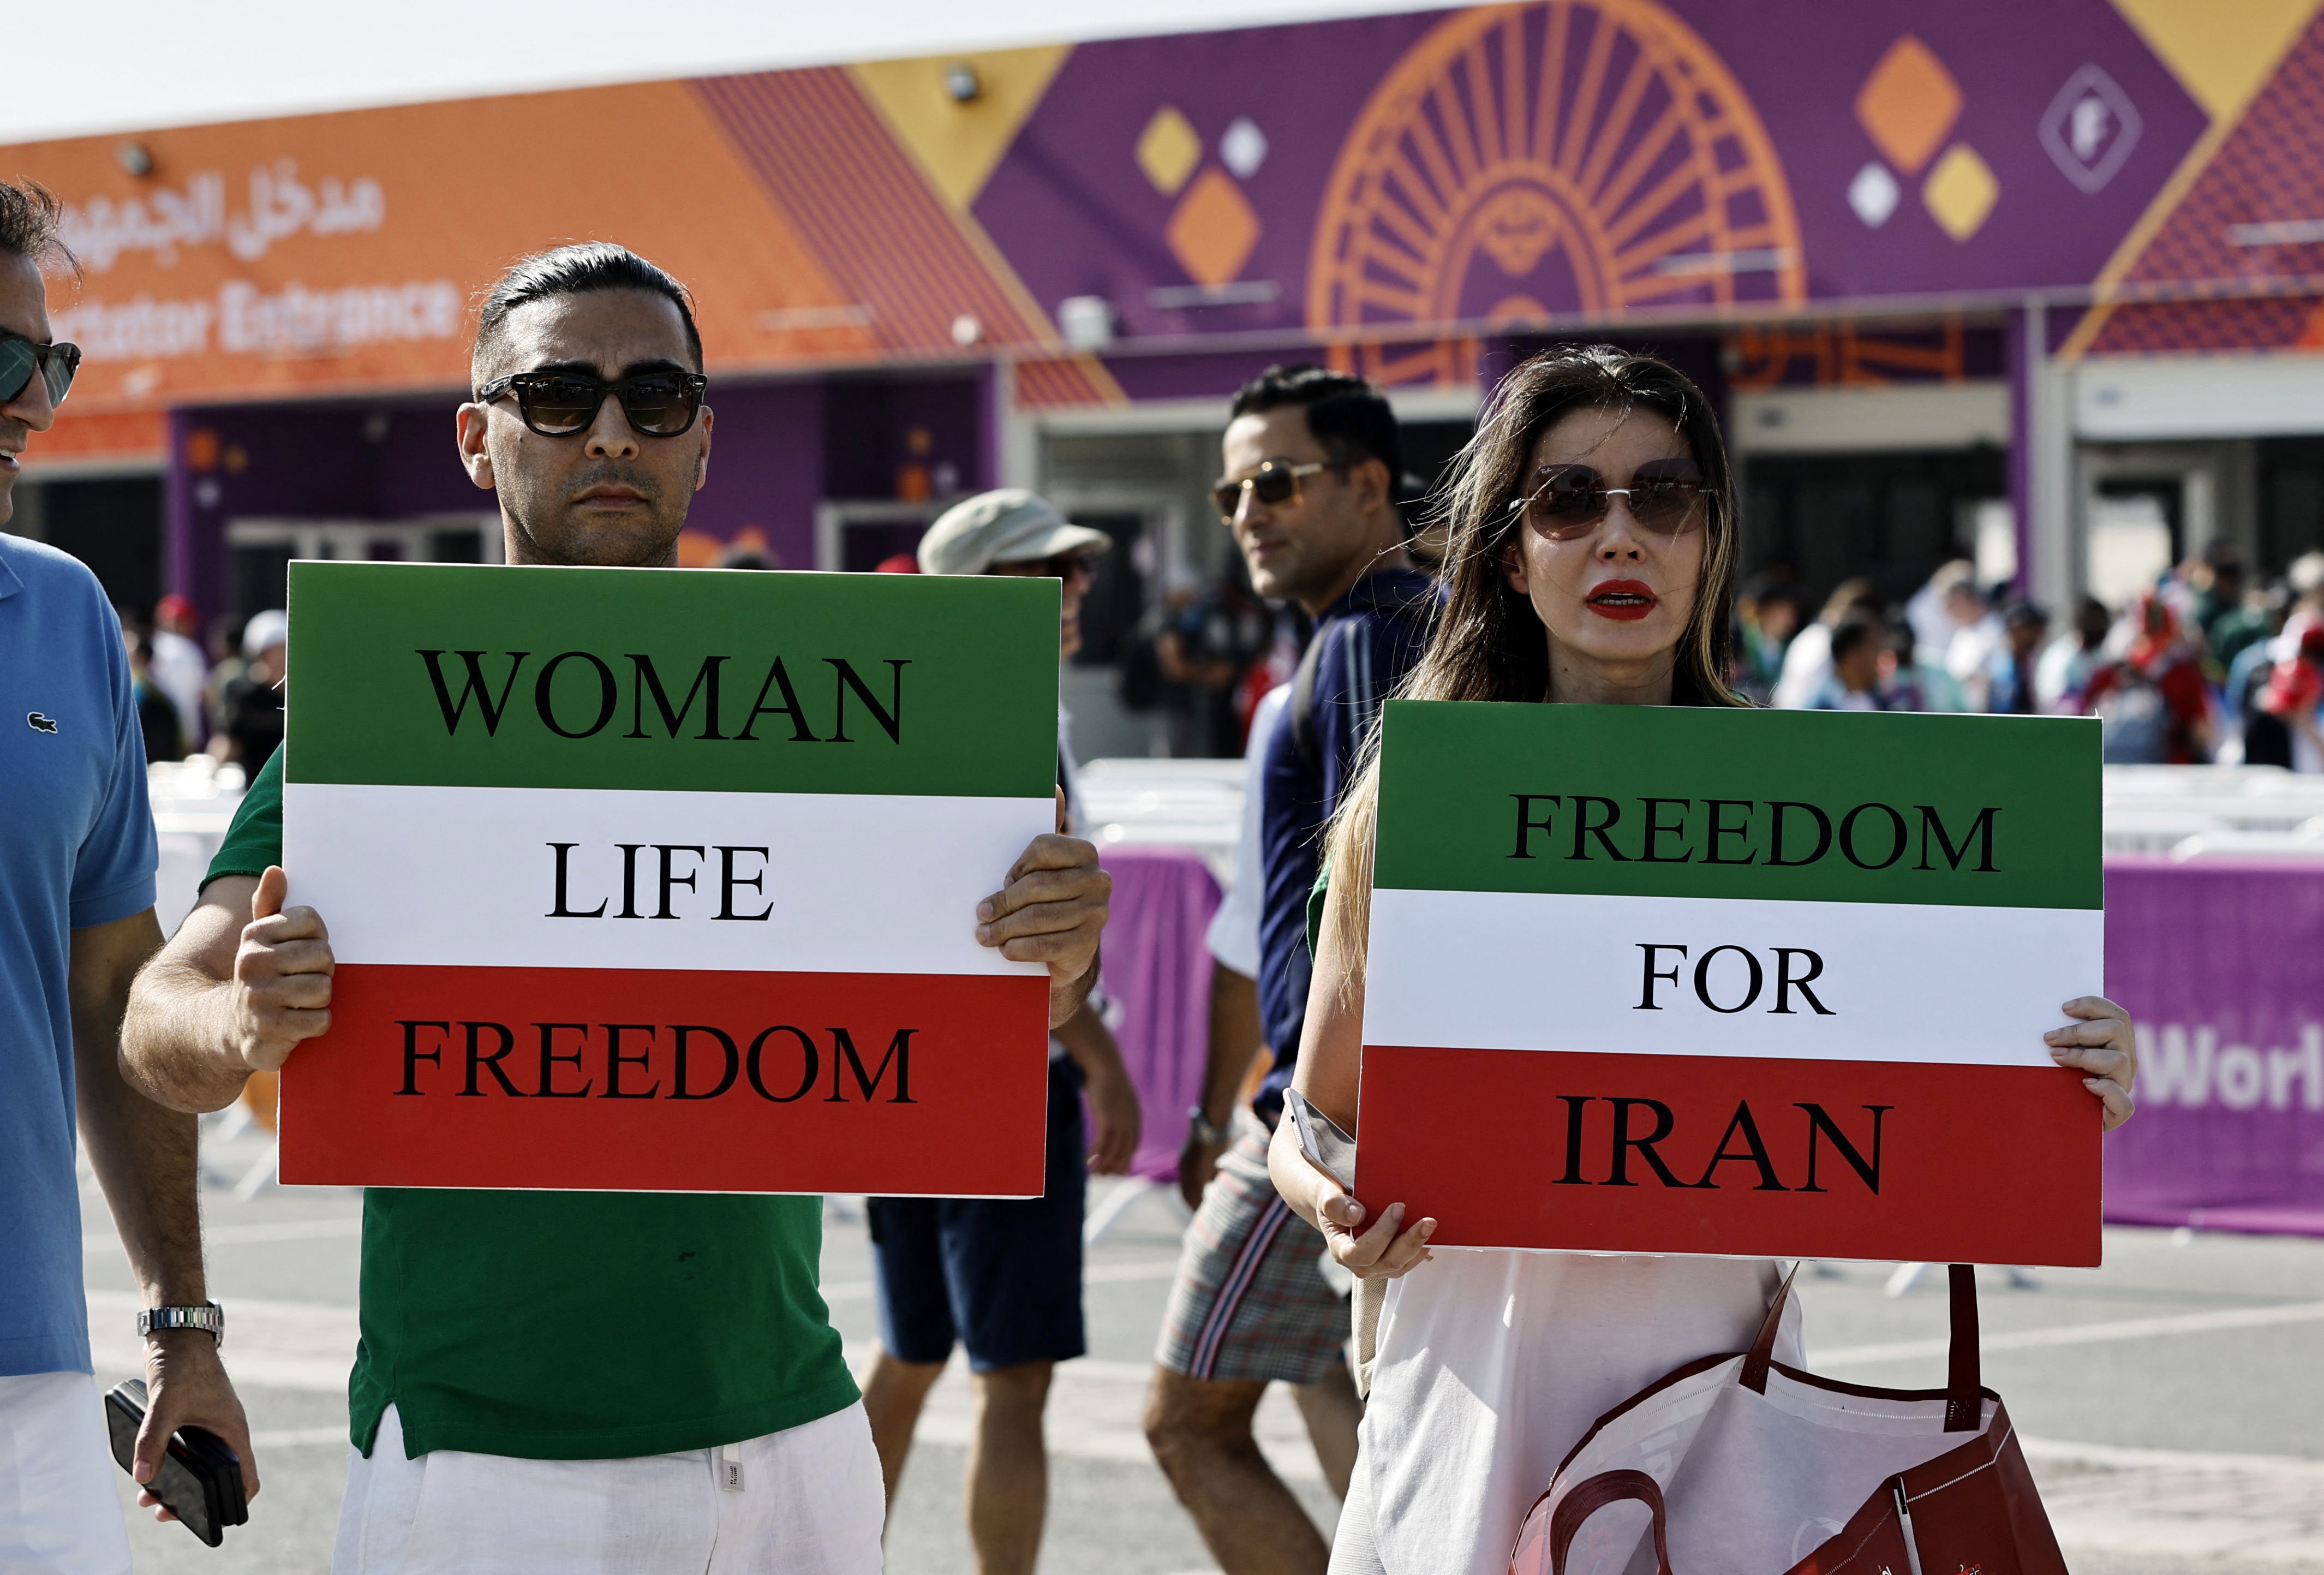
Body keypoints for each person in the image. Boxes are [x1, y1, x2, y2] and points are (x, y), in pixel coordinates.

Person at [120, 243, 1112, 1574]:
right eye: (555, 396)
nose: (605, 433)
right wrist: (241, 1016)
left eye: (652, 400)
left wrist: (1053, 954)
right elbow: (154, 1014)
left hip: (795, 1436)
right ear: (478, 439)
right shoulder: (376, 721)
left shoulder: (837, 718)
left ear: (701, 442)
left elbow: (997, 1000)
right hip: (486, 1452)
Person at [1264, 344, 2140, 1575]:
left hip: (1716, 1429)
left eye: (1660, 497)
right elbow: (1305, 1123)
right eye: (1568, 501)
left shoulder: (1816, 809)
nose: (1617, 537)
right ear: (1512, 555)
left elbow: (1937, 1091)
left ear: (1705, 538)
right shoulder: (1414, 808)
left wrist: (2066, 1075)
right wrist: (1336, 1205)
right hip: (1471, 1406)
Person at [0, 176, 256, 1574]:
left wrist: (181, 1329)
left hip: (25, 1373)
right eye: (2, 362)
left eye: (53, 363)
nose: (36, 406)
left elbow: (111, 993)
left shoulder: (65, 612)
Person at [1146, 364, 1432, 1575]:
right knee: (1374, 1420)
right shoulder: (1357, 636)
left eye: (1273, 482)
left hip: (1328, 1131)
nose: (1246, 512)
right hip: (1331, 1122)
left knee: (1184, 1426)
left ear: (1368, 487)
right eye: (1228, 493)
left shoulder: (1369, 638)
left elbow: (1377, 907)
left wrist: (1311, 1130)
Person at [858, 488, 1142, 1575]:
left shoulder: (902, 710)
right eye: (1034, 573)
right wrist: (1104, 1063)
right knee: (1010, 1377)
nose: (1064, 592)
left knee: (911, 1354)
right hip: (996, 1083)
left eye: (1067, 572)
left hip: (913, 1080)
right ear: (957, 593)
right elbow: (1020, 953)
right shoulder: (998, 720)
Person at [2081, 589, 2213, 763]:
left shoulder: (2105, 676)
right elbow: (2202, 734)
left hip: (2107, 776)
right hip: (2169, 778)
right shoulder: (2182, 677)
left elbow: (2082, 727)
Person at [214, 607, 286, 770]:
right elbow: (230, 741)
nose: (282, 655)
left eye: (284, 648)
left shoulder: (300, 696)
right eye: (275, 649)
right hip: (257, 786)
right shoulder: (243, 693)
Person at [149, 592, 210, 750]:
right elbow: (204, 693)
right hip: (184, 730)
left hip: (150, 729)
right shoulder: (190, 649)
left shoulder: (149, 646)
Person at [1984, 600, 2051, 714]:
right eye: (2034, 630)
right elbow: (2005, 716)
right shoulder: (2003, 668)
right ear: (2017, 629)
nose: (2039, 637)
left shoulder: (2026, 662)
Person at [1806, 615, 1885, 710]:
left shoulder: (1882, 703)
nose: (1880, 653)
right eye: (1874, 646)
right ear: (1852, 655)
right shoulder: (1818, 709)